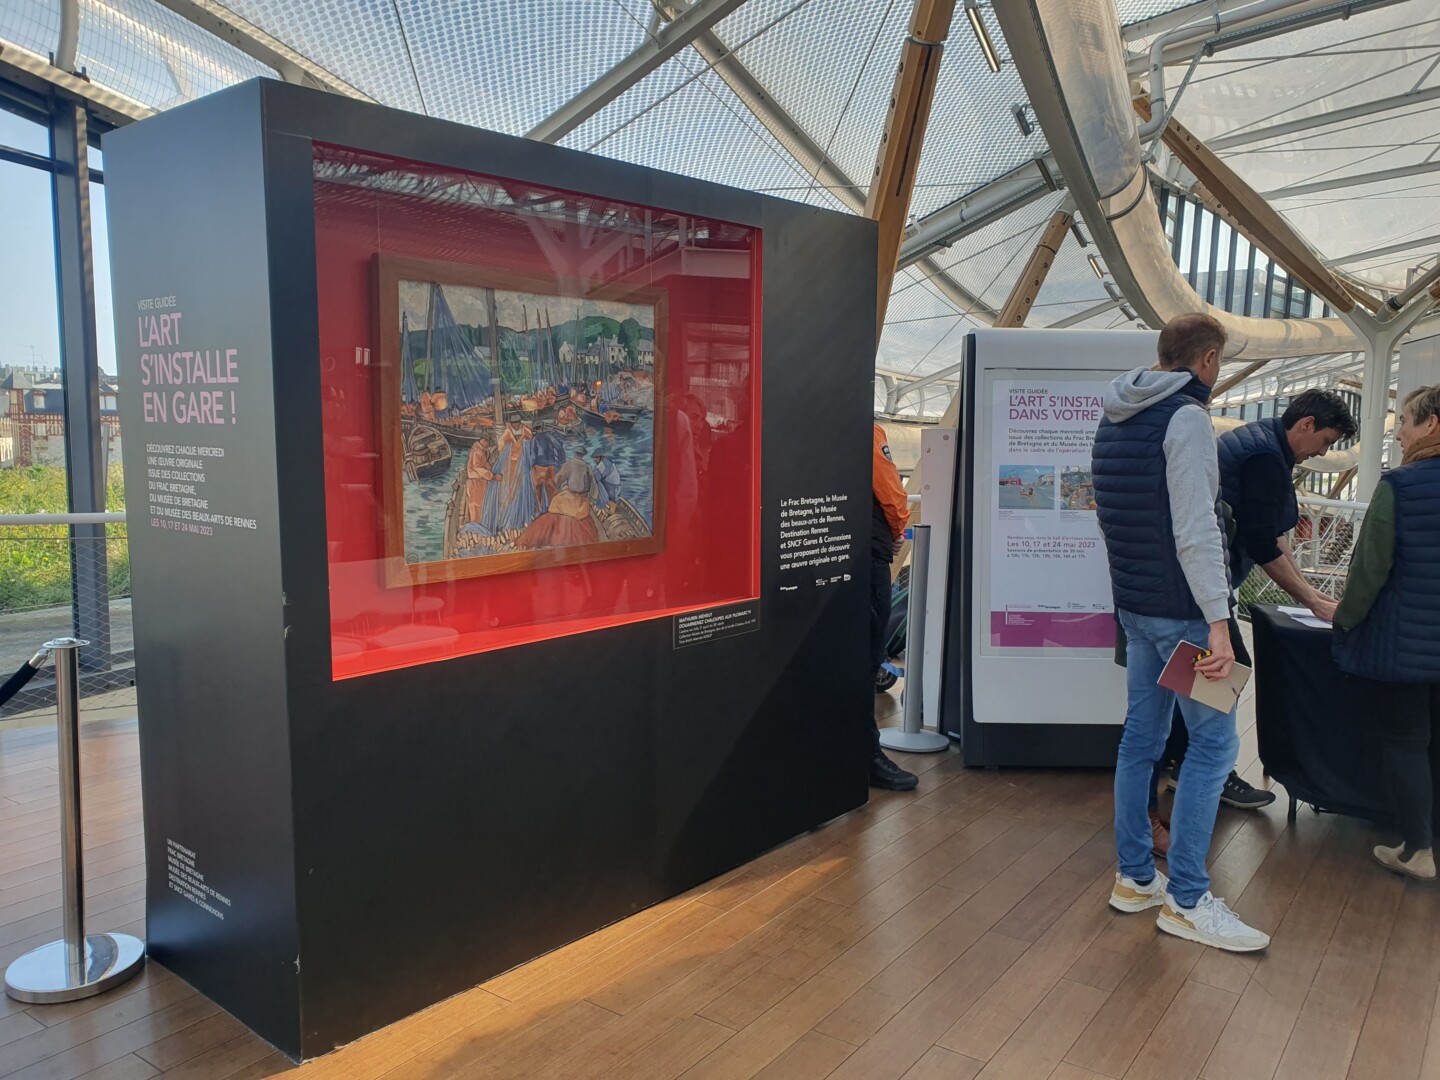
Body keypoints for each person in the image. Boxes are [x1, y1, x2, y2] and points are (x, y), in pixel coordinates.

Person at [1092, 313, 1269, 952]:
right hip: (1186, 615)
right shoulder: (1187, 419)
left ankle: (1137, 878)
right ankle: (1188, 899)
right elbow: (1197, 530)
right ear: (1209, 360)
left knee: (1142, 736)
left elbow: (1111, 519)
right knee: (1217, 748)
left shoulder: (1113, 416)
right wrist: (1220, 625)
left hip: (1137, 609)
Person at [1153, 390, 1360, 820]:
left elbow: (1271, 532)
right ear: (1305, 425)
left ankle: (1178, 760)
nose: (1322, 452)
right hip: (1205, 584)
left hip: (1192, 581)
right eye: (1324, 441)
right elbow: (1263, 542)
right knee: (1225, 668)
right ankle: (1203, 766)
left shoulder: (1261, 441)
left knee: (1191, 677)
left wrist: (1311, 592)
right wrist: (1313, 602)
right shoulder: (1267, 458)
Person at [1332, 385, 1440, 882]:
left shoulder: (1401, 486)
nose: (1398, 433)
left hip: (1408, 650)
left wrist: (1344, 620)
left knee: (1406, 741)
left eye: (1405, 422)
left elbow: (1368, 572)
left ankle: (1418, 849)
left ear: (1431, 426)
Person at [870, 423, 919, 792]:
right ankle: (866, 756)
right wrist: (899, 526)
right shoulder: (866, 431)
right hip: (864, 555)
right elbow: (888, 488)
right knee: (865, 658)